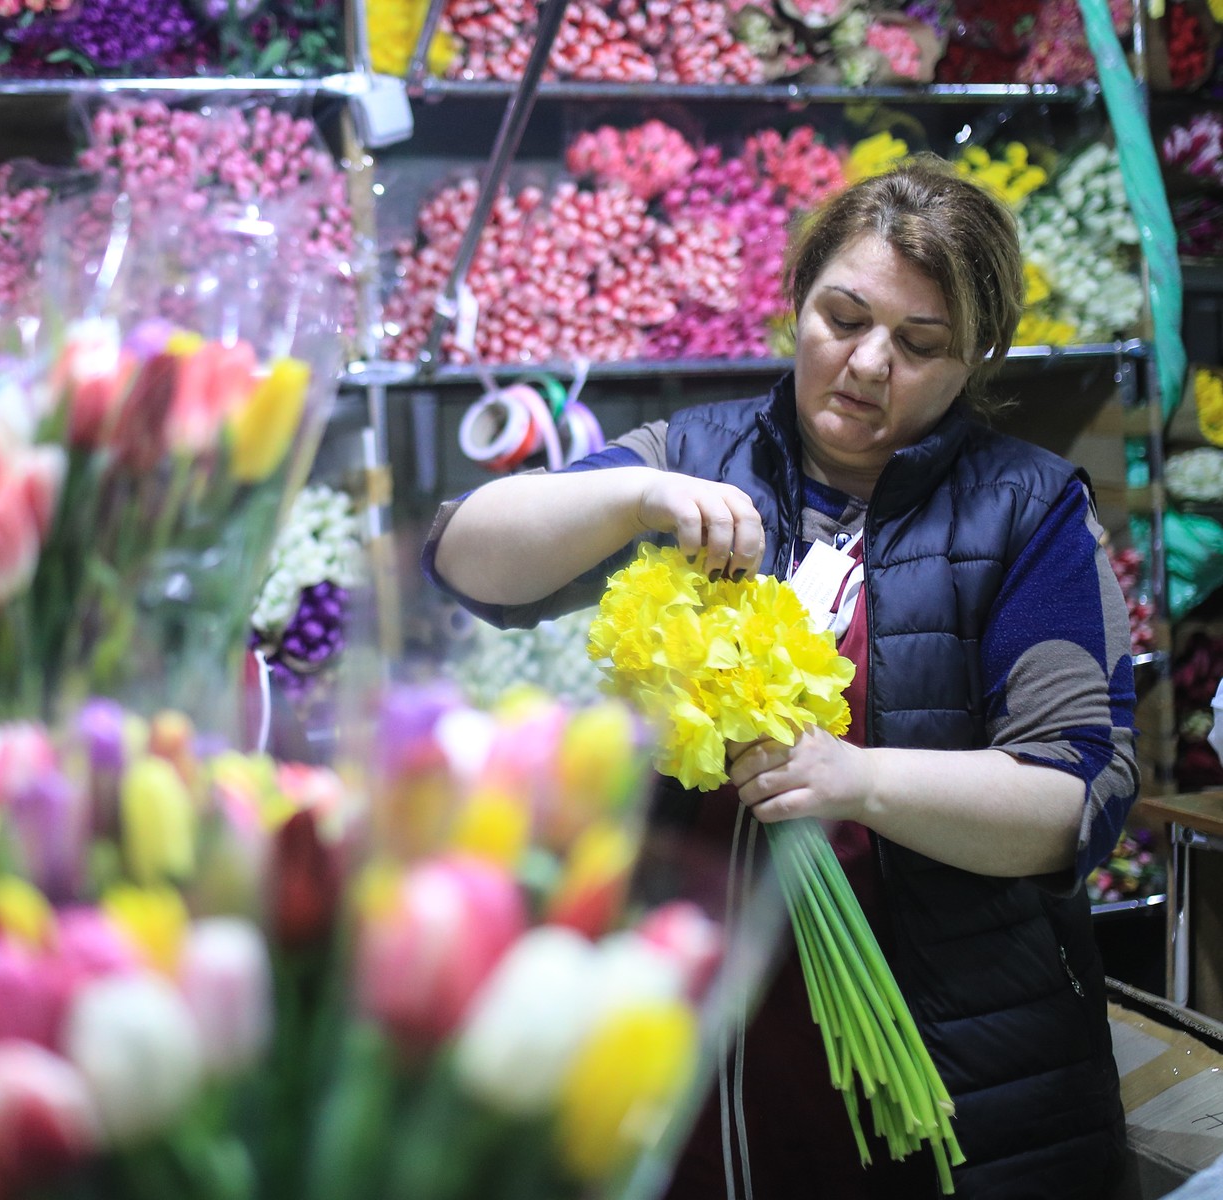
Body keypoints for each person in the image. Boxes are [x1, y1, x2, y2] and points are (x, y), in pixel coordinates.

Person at [425, 158, 1136, 1199]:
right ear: (796, 301)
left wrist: (857, 780)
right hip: (706, 1038)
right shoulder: (697, 457)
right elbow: (467, 558)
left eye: (921, 343)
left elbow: (1073, 803)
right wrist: (633, 499)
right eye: (842, 318)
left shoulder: (1028, 511)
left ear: (975, 356)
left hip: (956, 1059)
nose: (868, 362)